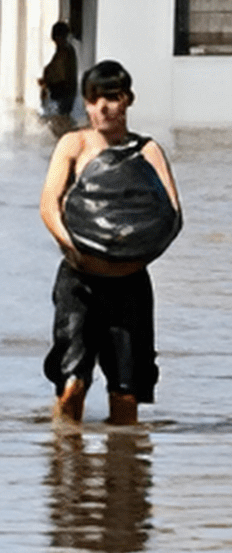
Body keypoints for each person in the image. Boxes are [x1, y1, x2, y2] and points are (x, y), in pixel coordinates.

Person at [39, 61, 180, 426]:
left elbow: (172, 215)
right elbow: (48, 204)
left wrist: (133, 253)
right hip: (79, 283)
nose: (102, 107)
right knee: (72, 384)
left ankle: (125, 468)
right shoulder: (74, 144)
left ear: (127, 100)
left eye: (112, 98)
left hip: (129, 286)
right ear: (85, 103)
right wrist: (73, 246)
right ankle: (65, 461)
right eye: (94, 98)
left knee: (126, 391)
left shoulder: (147, 151)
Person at [38, 21, 79, 137]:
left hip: (62, 94)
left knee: (61, 126)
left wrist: (46, 80)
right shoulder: (64, 50)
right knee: (60, 125)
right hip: (63, 93)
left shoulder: (65, 51)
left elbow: (59, 73)